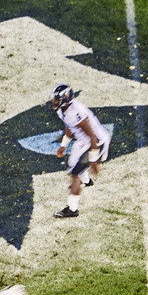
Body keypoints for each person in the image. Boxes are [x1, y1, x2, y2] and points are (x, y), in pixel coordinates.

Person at [50, 84, 112, 218]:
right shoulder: (63, 110)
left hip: (97, 142)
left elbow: (93, 137)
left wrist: (94, 159)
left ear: (65, 98)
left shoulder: (75, 112)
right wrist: (64, 145)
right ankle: (87, 182)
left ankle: (72, 209)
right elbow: (69, 126)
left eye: (57, 99)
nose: (54, 102)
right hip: (83, 141)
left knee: (75, 174)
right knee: (72, 163)